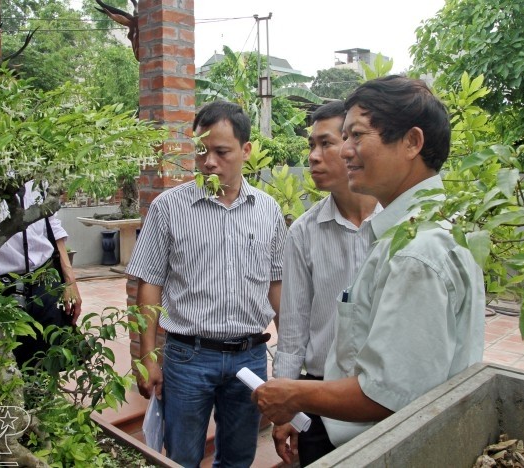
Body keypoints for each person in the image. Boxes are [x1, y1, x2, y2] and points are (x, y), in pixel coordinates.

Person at [253, 76, 485, 449]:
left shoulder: (417, 253)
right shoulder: (416, 231)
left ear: (411, 142)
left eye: (356, 136)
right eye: (342, 138)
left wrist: (293, 396)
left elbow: (387, 392)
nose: (345, 152)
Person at [126, 100, 286, 467]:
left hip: (250, 357)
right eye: (201, 150)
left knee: (239, 456)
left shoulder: (268, 210)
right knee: (182, 456)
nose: (209, 161)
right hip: (188, 356)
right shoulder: (169, 207)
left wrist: (289, 358)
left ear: (245, 151)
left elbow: (277, 285)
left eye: (221, 151)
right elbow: (149, 283)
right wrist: (147, 358)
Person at [272, 101, 380, 466]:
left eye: (326, 143)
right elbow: (292, 332)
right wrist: (286, 407)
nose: (314, 157)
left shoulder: (400, 226)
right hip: (319, 394)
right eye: (310, 146)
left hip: (382, 393)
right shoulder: (303, 232)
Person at [0, 61, 82, 368]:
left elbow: (49, 220)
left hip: (45, 282)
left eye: (9, 96)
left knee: (48, 378)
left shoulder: (28, 151)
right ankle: (4, 419)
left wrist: (69, 278)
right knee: (2, 386)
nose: (2, 105)